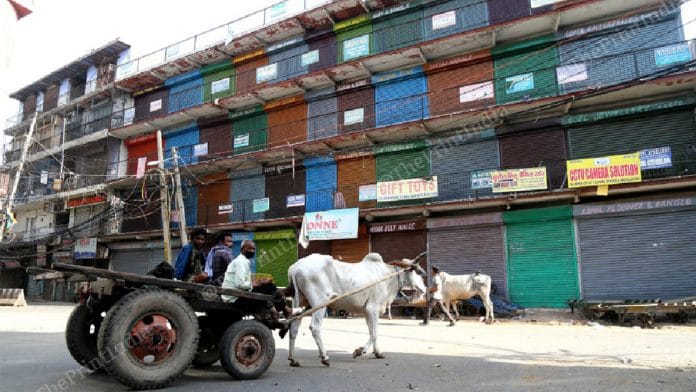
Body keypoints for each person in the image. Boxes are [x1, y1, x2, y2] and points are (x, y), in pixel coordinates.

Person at [221, 240, 297, 318]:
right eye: (249, 248)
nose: (252, 251)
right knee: (269, 286)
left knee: (267, 285)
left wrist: (259, 282)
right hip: (235, 298)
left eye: (254, 249)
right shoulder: (240, 262)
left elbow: (242, 282)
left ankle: (276, 310)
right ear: (243, 249)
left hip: (234, 295)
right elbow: (240, 284)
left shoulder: (242, 261)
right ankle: (284, 310)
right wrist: (256, 283)